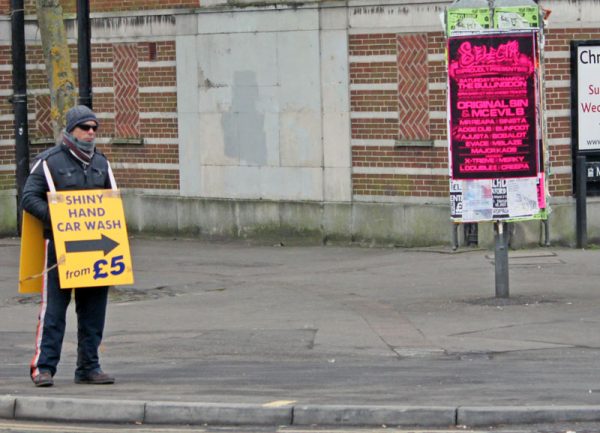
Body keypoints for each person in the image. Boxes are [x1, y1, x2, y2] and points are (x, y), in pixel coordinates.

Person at [21, 105, 116, 387]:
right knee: (54, 312)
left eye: (94, 129)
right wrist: (60, 219)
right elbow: (28, 197)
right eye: (84, 128)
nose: (90, 133)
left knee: (93, 312)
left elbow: (112, 201)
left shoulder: (102, 163)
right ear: (70, 131)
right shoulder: (49, 162)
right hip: (60, 249)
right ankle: (44, 368)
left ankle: (88, 367)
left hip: (97, 249)